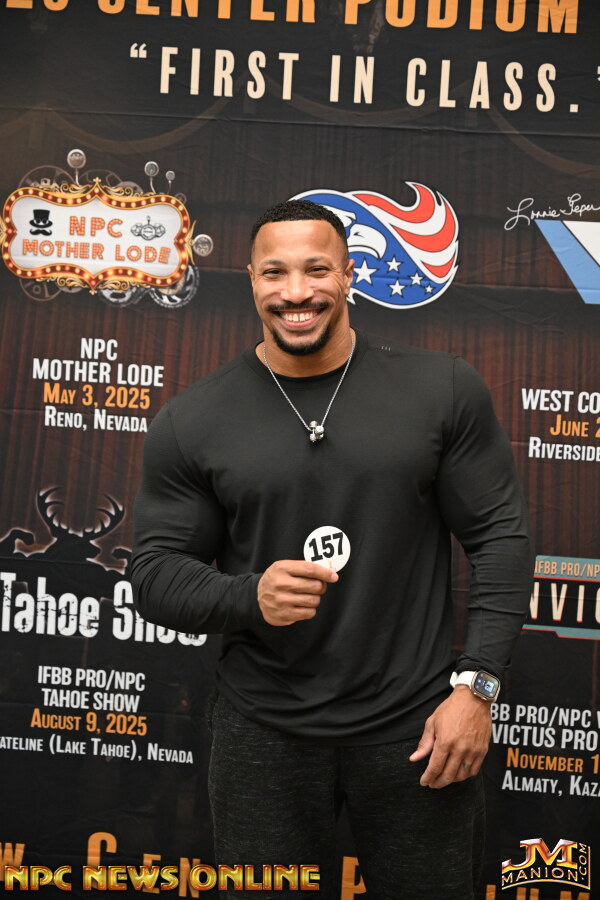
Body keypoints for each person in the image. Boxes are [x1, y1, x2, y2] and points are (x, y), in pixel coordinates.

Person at [131, 199, 534, 899]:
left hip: (418, 728)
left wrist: (477, 688)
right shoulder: (193, 419)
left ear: (350, 275)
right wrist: (248, 596)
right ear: (251, 280)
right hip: (263, 735)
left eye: (317, 269)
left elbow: (500, 536)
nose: (296, 292)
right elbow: (154, 573)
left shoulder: (441, 389)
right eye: (275, 273)